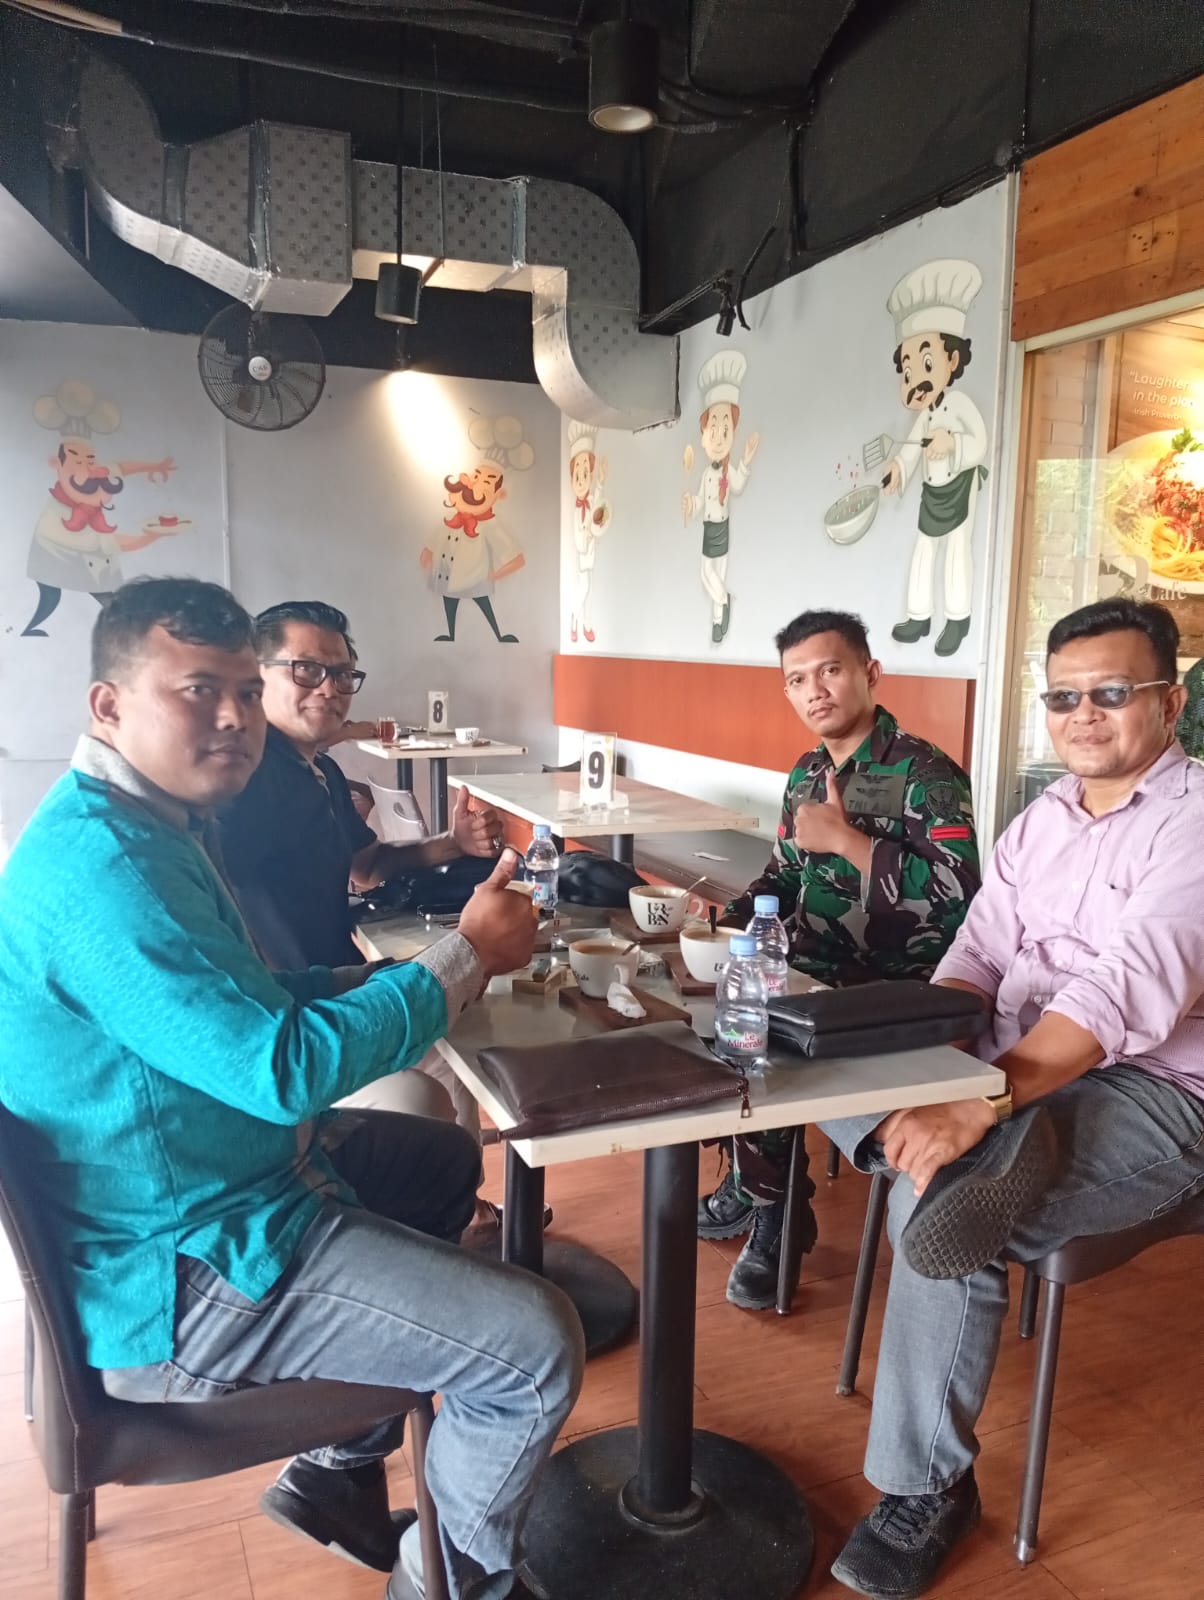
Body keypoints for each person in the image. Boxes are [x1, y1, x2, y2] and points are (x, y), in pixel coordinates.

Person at [0, 577, 582, 1600]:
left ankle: (337, 1470)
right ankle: (449, 1581)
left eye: (241, 690)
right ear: (108, 705)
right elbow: (281, 1071)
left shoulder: (147, 822)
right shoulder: (107, 871)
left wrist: (400, 974)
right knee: (535, 1345)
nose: (234, 718)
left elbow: (248, 1000)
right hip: (184, 1271)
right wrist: (458, 961)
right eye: (198, 690)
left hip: (204, 1187)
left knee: (436, 1160)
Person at [822, 597, 1204, 1600]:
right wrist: (926, 1042)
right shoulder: (1040, 820)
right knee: (809, 1064)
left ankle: (927, 1488)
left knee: (941, 1200)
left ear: (1169, 701)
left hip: (1159, 1090)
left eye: (1111, 692)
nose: (1084, 715)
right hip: (1013, 1068)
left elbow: (1129, 988)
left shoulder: (1195, 820)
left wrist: (984, 1102)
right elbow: (980, 951)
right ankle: (963, 1143)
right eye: (1064, 698)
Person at [700, 610, 980, 1312]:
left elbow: (959, 898)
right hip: (811, 970)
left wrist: (850, 841)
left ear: (869, 673)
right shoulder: (807, 773)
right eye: (798, 679)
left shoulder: (926, 774)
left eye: (830, 670)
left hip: (892, 985)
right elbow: (783, 876)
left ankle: (774, 1217)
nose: (815, 690)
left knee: (764, 1039)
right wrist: (725, 921)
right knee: (717, 1009)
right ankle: (761, 1184)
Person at [217, 600, 503, 1133]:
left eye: (343, 674)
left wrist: (454, 842)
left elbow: (366, 867)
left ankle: (460, 1182)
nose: (330, 688)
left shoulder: (321, 771)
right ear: (256, 676)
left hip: (337, 982)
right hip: (289, 1023)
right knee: (441, 1063)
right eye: (307, 670)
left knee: (454, 1041)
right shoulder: (246, 780)